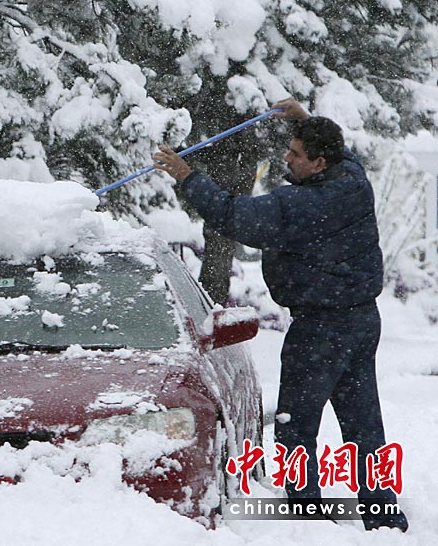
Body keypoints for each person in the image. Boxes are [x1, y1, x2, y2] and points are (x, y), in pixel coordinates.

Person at [152, 97, 408, 532]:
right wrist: (304, 120)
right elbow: (345, 154)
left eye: (295, 154)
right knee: (364, 424)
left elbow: (232, 215)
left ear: (319, 163)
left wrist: (186, 176)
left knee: (295, 428)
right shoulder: (352, 180)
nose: (286, 158)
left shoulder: (300, 205)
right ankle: (383, 515)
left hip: (319, 328)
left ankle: (308, 518)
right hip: (362, 322)